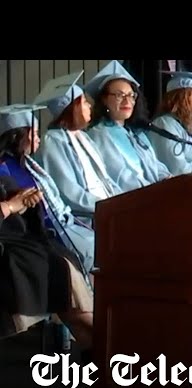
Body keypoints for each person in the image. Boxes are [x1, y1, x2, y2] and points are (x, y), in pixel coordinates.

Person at [0, 172, 93, 348]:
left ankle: (104, 348)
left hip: (21, 244)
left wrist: (23, 202)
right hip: (12, 254)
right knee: (51, 266)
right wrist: (9, 206)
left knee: (59, 262)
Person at [0, 104, 95, 276]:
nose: (38, 139)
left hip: (64, 223)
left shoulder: (27, 163)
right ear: (18, 137)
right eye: (34, 133)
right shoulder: (5, 169)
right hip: (43, 233)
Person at [34, 71, 122, 221]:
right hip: (88, 216)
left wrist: (123, 200)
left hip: (108, 208)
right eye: (84, 102)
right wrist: (108, 206)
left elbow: (105, 178)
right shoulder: (53, 141)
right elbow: (69, 191)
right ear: (73, 108)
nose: (89, 106)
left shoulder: (84, 137)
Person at [85, 60, 171, 193]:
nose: (127, 101)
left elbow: (155, 165)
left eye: (131, 95)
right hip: (131, 202)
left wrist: (167, 178)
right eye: (120, 95)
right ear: (104, 100)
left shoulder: (136, 133)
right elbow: (120, 175)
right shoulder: (99, 134)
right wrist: (153, 190)